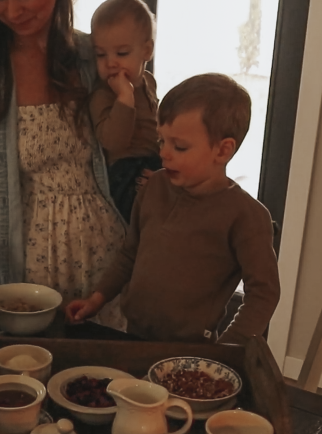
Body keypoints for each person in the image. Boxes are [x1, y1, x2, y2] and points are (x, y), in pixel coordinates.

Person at [0, 0, 127, 329]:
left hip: (107, 265)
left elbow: (141, 140)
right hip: (18, 270)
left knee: (96, 374)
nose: (13, 11)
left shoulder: (96, 57)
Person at [66, 73, 281, 344]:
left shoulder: (246, 217)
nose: (165, 153)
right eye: (161, 141)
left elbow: (264, 293)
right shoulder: (153, 187)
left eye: (179, 146)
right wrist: (96, 299)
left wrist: (229, 350)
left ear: (223, 151)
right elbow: (129, 254)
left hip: (190, 352)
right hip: (135, 336)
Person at [89, 0, 161, 224]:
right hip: (125, 171)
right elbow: (113, 142)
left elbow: (156, 126)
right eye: (101, 55)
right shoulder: (103, 94)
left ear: (146, 51)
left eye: (121, 53)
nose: (110, 63)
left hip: (156, 161)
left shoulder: (148, 82)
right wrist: (124, 99)